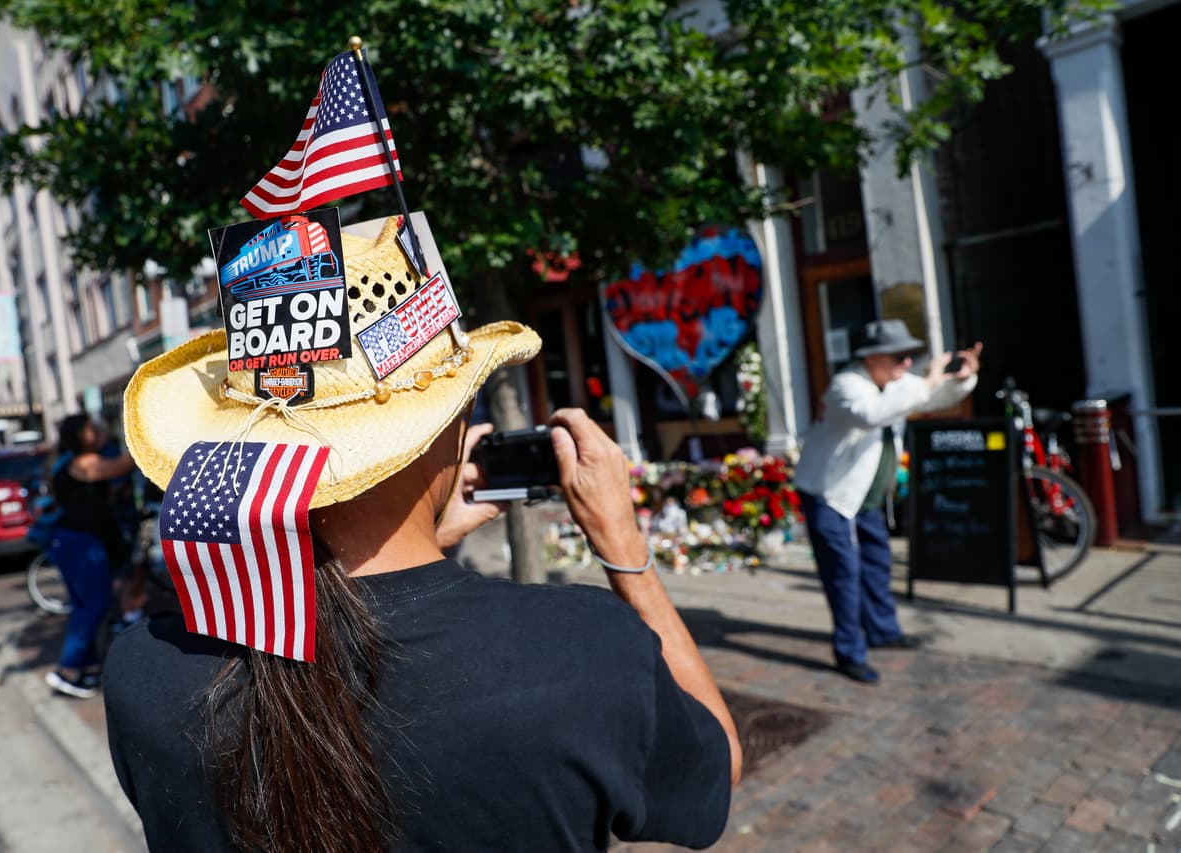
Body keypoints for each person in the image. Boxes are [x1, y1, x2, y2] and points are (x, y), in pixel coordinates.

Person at [104, 216, 740, 851]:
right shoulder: (585, 648)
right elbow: (711, 779)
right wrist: (625, 551)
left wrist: (424, 536)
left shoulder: (146, 673)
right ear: (448, 426)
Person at [794, 320, 982, 684]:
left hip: (865, 496)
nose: (906, 365)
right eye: (899, 357)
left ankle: (882, 631)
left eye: (909, 356)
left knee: (877, 563)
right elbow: (871, 414)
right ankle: (849, 651)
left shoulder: (897, 383)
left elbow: (936, 397)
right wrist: (928, 381)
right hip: (832, 495)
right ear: (872, 358)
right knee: (844, 575)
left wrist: (962, 379)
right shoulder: (845, 386)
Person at [45, 414, 135, 699]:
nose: (97, 430)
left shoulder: (68, 460)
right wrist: (146, 441)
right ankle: (68, 670)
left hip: (73, 542)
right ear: (79, 434)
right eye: (90, 427)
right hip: (81, 544)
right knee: (94, 605)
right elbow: (121, 466)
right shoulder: (84, 462)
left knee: (86, 605)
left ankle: (88, 669)